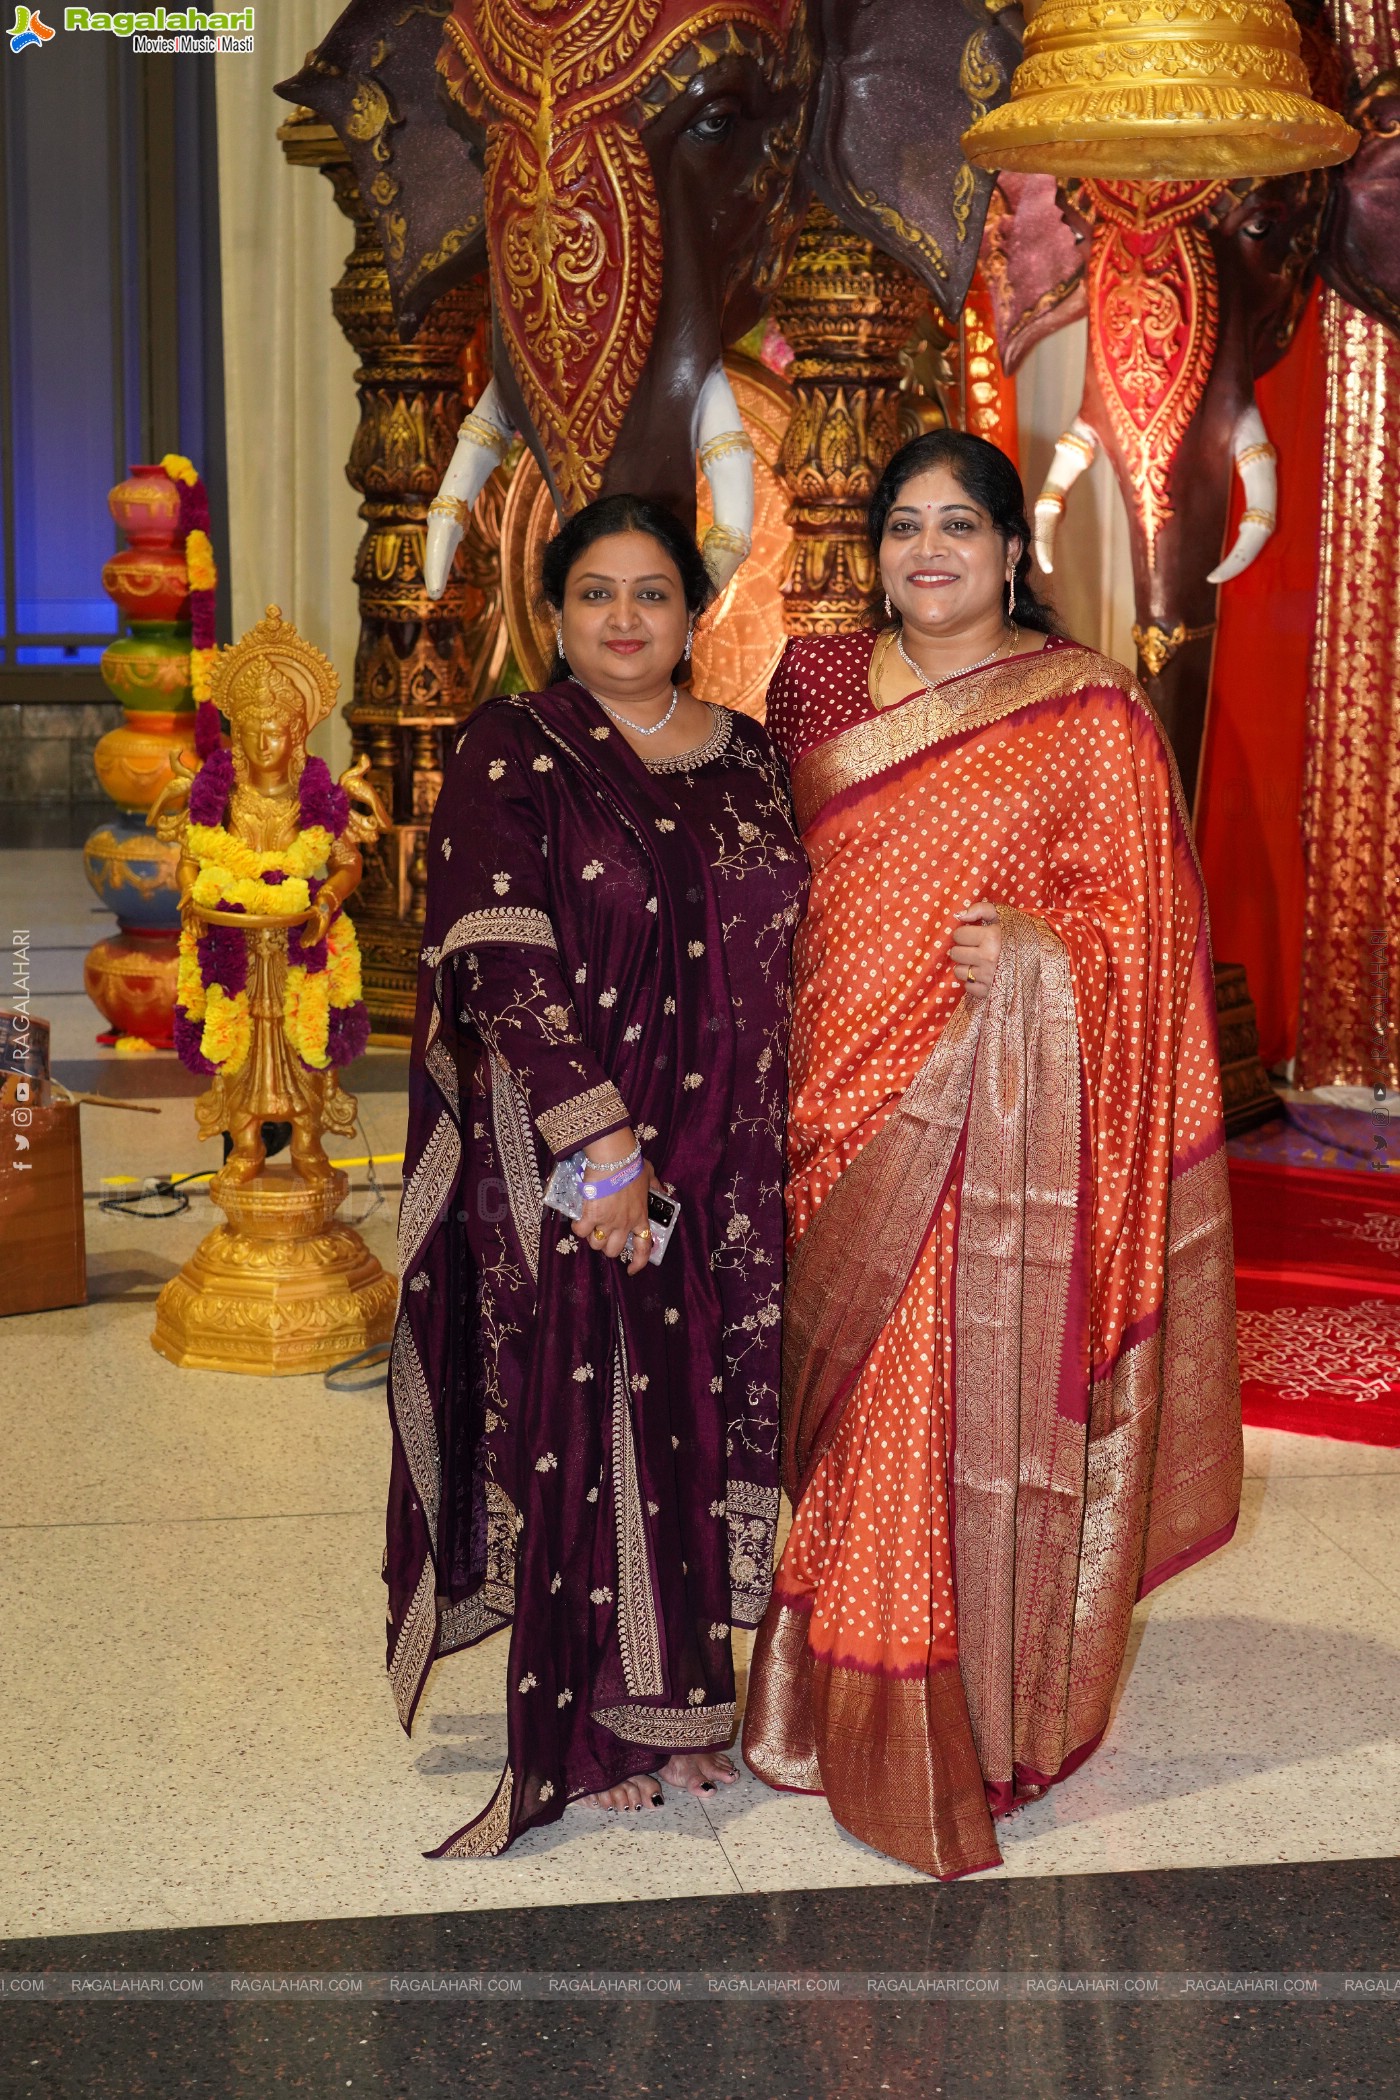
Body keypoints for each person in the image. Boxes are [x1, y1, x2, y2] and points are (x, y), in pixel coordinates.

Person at [742, 430, 1242, 1879]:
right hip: (828, 1095)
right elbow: (763, 885)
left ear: (1016, 552)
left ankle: (923, 1715)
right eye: (904, 526)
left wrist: (1036, 956)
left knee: (933, 1396)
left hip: (990, 1106)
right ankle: (810, 1684)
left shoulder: (1089, 712)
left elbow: (1142, 939)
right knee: (843, 1417)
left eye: (960, 524)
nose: (929, 552)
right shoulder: (817, 683)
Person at [387, 494, 807, 1856]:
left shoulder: (748, 755)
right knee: (597, 1404)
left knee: (691, 1407)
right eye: (595, 596)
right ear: (553, 617)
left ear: (696, 614)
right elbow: (498, 951)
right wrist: (600, 1141)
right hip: (584, 1150)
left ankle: (683, 1708)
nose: (625, 620)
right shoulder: (514, 747)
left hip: (729, 1149)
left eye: (652, 595)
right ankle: (587, 1729)